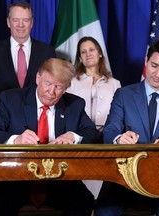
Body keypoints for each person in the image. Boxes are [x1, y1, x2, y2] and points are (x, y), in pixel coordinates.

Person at [0, 58, 100, 216]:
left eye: (58, 87)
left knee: (84, 201)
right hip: (14, 177)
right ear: (38, 78)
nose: (52, 92)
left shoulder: (74, 104)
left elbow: (92, 133)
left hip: (59, 179)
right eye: (48, 84)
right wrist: (16, 140)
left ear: (65, 89)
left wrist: (73, 136)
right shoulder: (11, 100)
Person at [95, 39, 159, 216]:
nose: (157, 74)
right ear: (146, 62)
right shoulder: (124, 94)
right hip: (123, 180)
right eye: (154, 65)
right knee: (104, 211)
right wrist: (119, 139)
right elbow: (110, 130)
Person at [0, 1, 56, 121]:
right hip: (2, 121)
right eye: (16, 20)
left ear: (31, 23)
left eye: (25, 20)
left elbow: (52, 89)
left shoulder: (47, 52)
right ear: (8, 22)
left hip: (37, 121)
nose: (20, 25)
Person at [66, 36, 121, 199]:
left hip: (106, 139)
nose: (88, 54)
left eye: (91, 49)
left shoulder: (114, 83)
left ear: (100, 53)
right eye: (83, 52)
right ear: (80, 58)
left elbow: (121, 113)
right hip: (80, 139)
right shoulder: (71, 82)